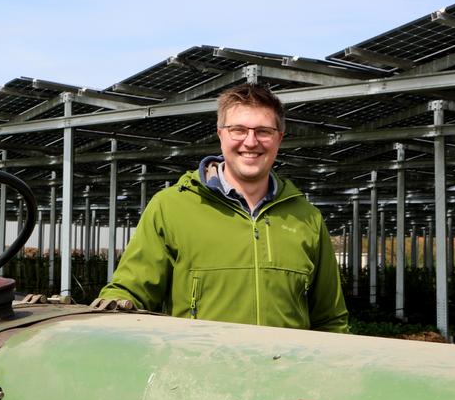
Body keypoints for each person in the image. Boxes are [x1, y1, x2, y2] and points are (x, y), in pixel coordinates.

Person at [97, 83, 348, 332]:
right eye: (238, 130)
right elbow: (130, 292)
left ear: (279, 139)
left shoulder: (306, 218)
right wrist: (109, 310)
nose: (251, 142)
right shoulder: (171, 207)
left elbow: (330, 319)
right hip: (200, 369)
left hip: (284, 370)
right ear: (220, 135)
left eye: (263, 131)